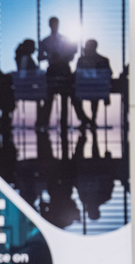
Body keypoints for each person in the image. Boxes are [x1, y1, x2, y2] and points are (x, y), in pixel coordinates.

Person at [37, 17, 89, 160]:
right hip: (54, 69)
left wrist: (62, 57)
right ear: (50, 25)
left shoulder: (59, 40)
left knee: (65, 97)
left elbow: (71, 55)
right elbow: (40, 57)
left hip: (63, 69)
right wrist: (50, 56)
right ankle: (48, 122)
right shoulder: (45, 41)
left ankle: (59, 122)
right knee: (50, 98)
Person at [76, 39, 113, 158]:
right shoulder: (104, 60)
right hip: (98, 90)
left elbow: (78, 74)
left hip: (85, 89)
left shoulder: (82, 60)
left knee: (75, 96)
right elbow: (109, 74)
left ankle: (84, 119)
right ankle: (90, 119)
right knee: (94, 96)